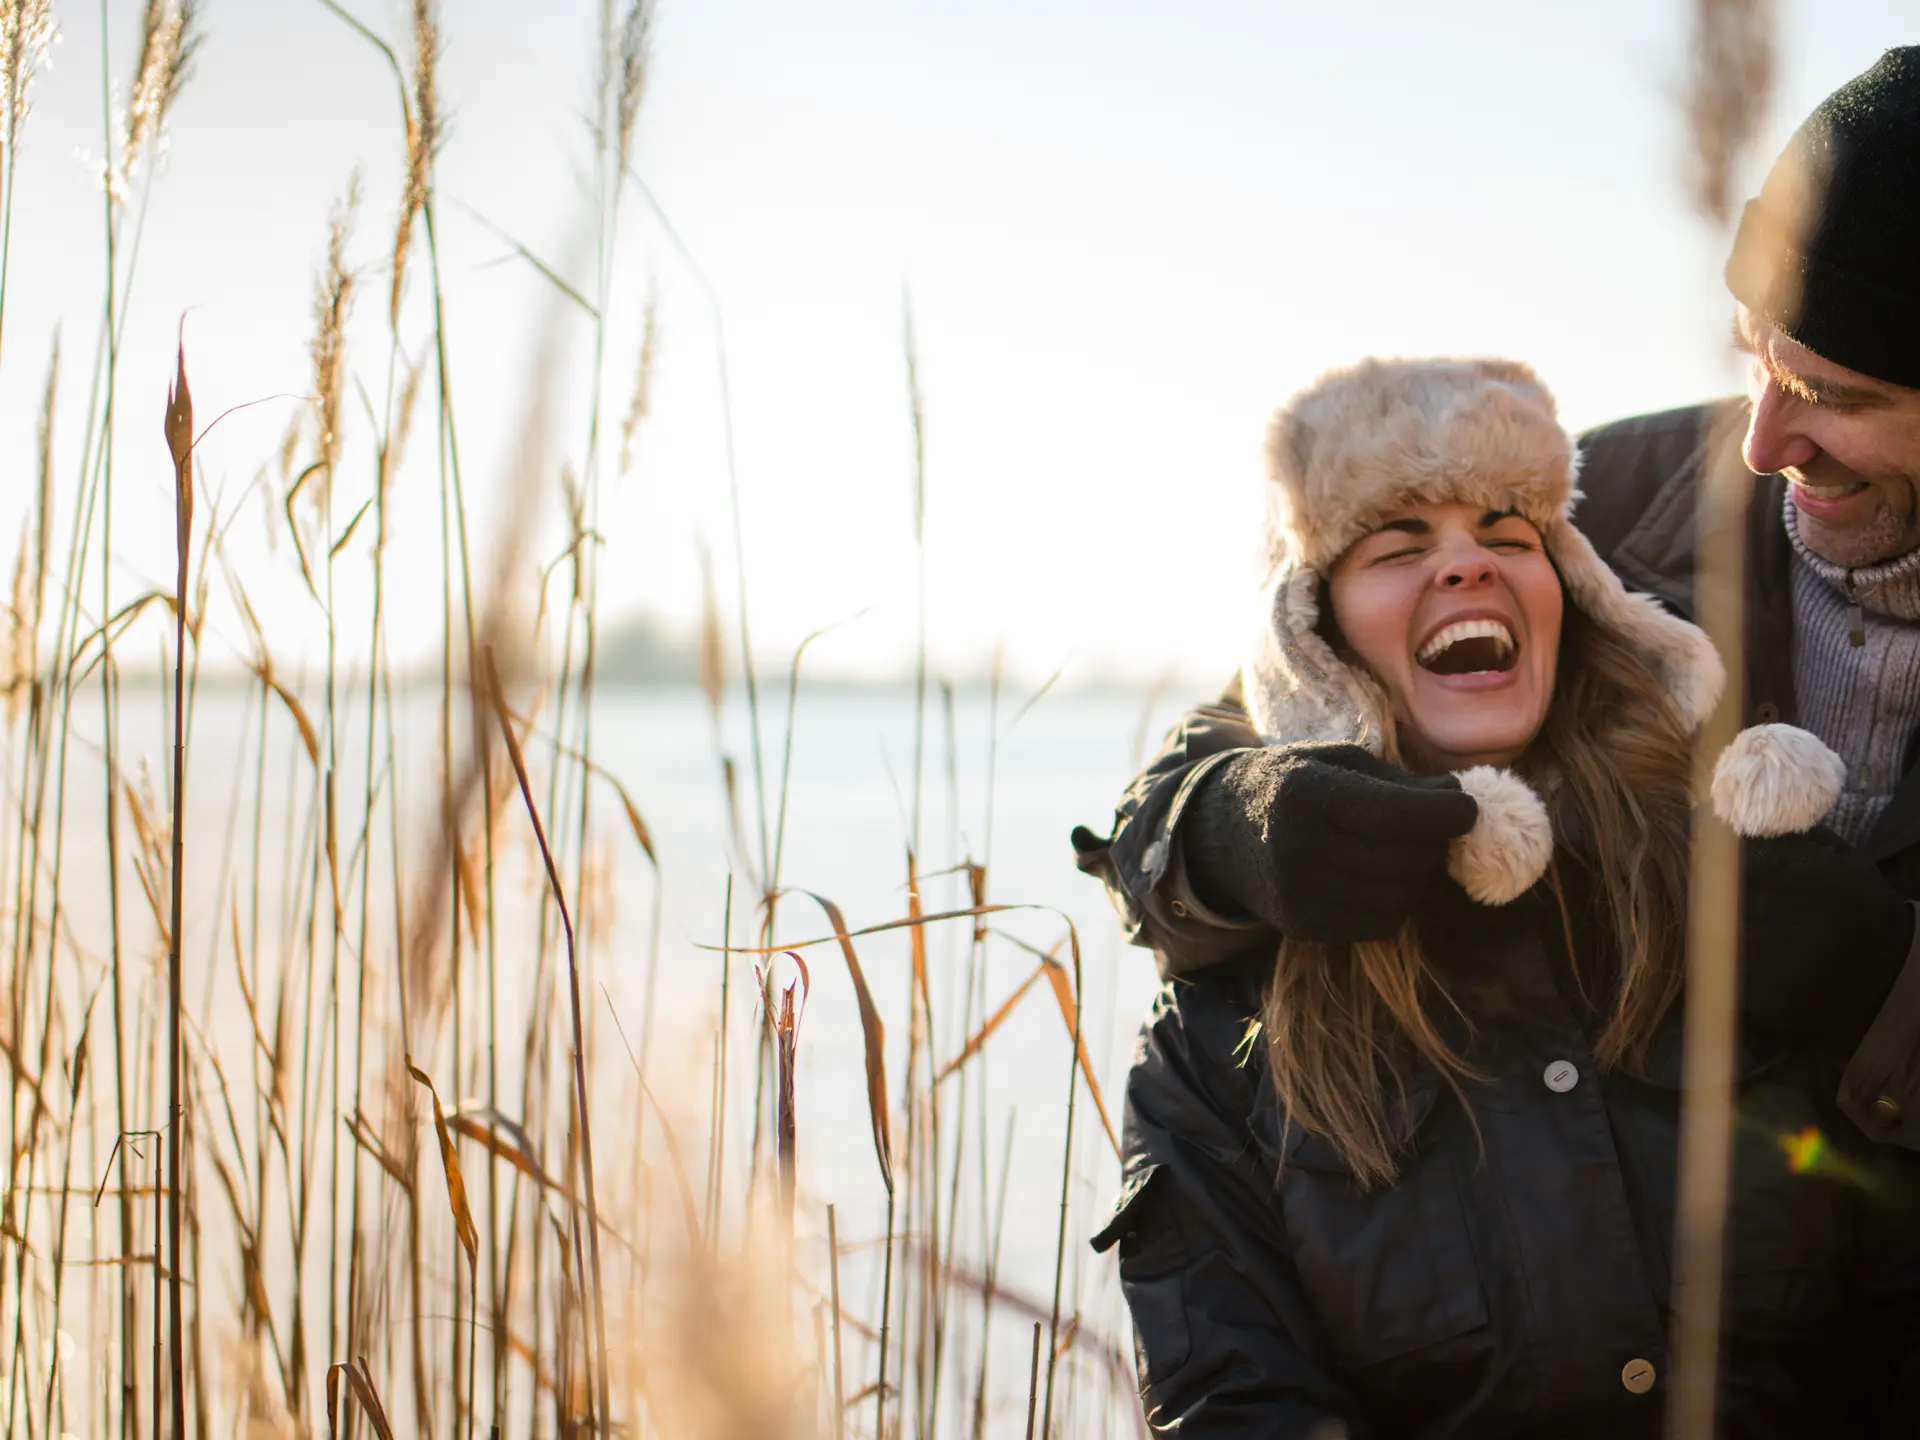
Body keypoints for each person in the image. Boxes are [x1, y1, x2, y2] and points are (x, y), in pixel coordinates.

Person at [1073, 46, 1920, 1149]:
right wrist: (1233, 833)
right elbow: (1194, 787)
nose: (1761, 443)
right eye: (1756, 361)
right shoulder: (1600, 509)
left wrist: (1888, 990)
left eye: (1830, 398)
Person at [1088, 357, 1920, 1436]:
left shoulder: (1735, 911)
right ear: (1316, 640)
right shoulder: (1220, 1037)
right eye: (1396, 546)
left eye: (1512, 536)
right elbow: (1236, 1404)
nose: (1468, 566)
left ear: (1580, 599)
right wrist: (1231, 819)